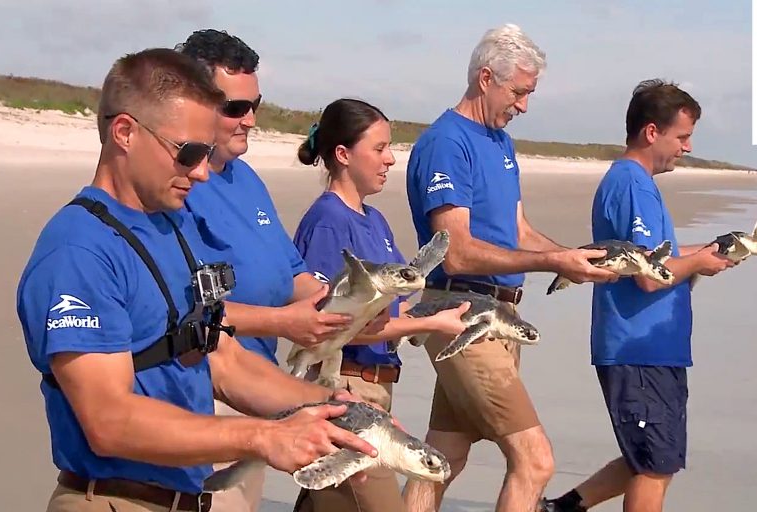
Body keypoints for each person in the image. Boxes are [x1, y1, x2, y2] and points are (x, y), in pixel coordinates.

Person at [15, 47, 379, 512]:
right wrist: (264, 438)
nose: (202, 173)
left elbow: (222, 359)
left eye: (206, 154)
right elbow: (108, 420)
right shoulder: (79, 250)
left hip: (186, 497)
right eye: (188, 153)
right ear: (124, 132)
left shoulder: (173, 228)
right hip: (112, 499)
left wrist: (336, 407)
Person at [402, 24, 621, 512]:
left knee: (443, 456)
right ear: (486, 78)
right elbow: (455, 251)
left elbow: (518, 231)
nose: (523, 105)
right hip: (463, 313)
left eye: (530, 94)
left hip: (498, 317)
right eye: (519, 92)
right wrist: (550, 262)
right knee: (536, 461)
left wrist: (573, 258)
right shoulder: (446, 143)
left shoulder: (500, 143)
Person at [175, 30, 384, 511]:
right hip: (205, 394)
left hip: (261, 391)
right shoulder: (176, 184)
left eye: (256, 104)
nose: (249, 118)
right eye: (234, 107)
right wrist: (283, 324)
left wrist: (352, 308)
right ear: (193, 101)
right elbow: (179, 308)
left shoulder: (247, 179)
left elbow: (294, 277)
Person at [539, 80, 735, 512]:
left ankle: (563, 507)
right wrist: (697, 263)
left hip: (651, 346)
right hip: (639, 347)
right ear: (652, 132)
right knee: (655, 465)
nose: (685, 147)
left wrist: (698, 257)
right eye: (681, 137)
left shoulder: (634, 183)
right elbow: (647, 277)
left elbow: (650, 263)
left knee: (647, 454)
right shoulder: (632, 185)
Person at [289, 98, 473, 511]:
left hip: (378, 388)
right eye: (379, 148)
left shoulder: (375, 221)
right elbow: (341, 323)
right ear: (343, 154)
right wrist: (433, 326)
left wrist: (441, 315)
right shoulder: (327, 222)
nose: (391, 159)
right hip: (346, 386)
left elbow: (390, 311)